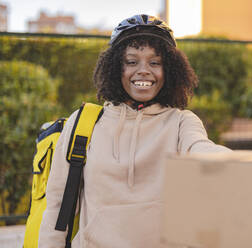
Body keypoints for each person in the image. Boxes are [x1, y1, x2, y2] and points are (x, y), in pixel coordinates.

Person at [38, 14, 233, 248]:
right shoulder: (83, 124)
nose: (143, 70)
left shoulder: (181, 122)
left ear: (170, 70)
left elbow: (202, 149)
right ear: (115, 67)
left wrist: (244, 162)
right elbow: (57, 210)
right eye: (131, 62)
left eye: (155, 62)